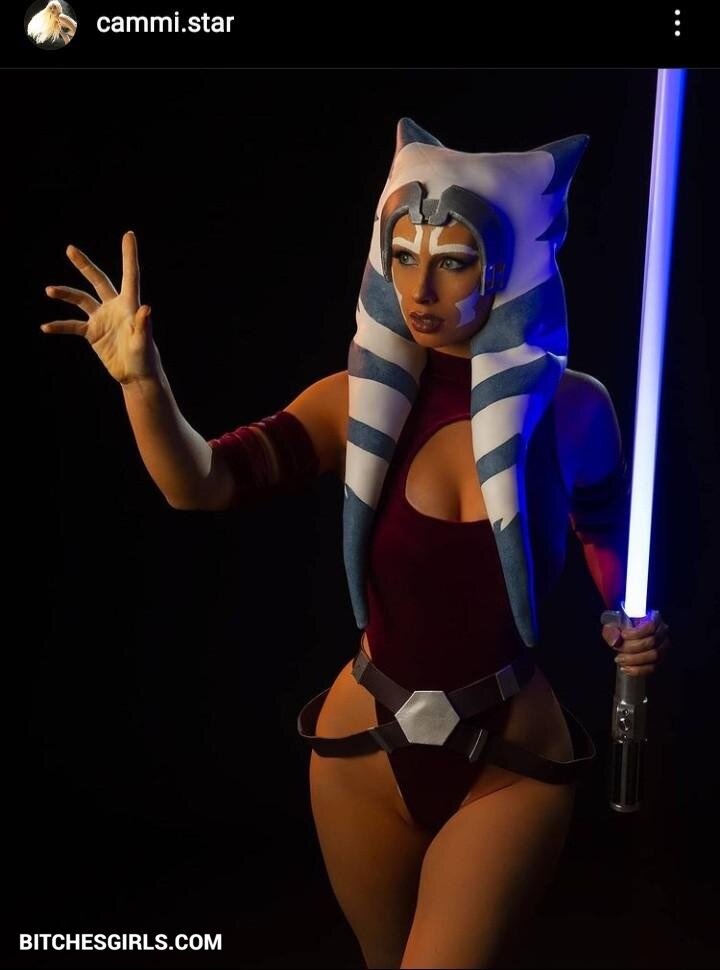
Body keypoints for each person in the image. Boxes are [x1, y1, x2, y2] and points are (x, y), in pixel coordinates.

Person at [41, 117, 670, 969]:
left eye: (454, 260)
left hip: (510, 761)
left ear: (508, 267)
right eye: (403, 255)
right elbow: (202, 483)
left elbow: (605, 536)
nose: (422, 289)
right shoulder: (351, 401)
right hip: (361, 750)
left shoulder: (575, 411)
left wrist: (623, 617)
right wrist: (142, 384)